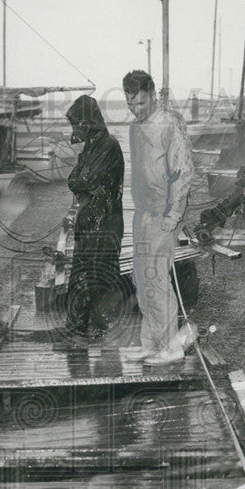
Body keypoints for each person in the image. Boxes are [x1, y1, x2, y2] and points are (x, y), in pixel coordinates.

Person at [122, 70, 194, 365]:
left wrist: (173, 213)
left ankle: (172, 347)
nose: (136, 110)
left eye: (141, 103)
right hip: (143, 211)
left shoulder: (170, 124)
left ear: (152, 95)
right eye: (130, 104)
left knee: (156, 277)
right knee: (141, 276)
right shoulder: (133, 128)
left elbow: (183, 171)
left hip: (164, 213)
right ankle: (151, 342)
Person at [64, 94, 125, 340]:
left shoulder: (108, 145)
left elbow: (84, 179)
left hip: (105, 222)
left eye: (78, 123)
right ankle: (79, 329)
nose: (75, 129)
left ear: (89, 121)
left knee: (100, 276)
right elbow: (73, 180)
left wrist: (84, 183)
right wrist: (84, 183)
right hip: (92, 220)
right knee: (83, 275)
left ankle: (100, 332)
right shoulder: (91, 147)